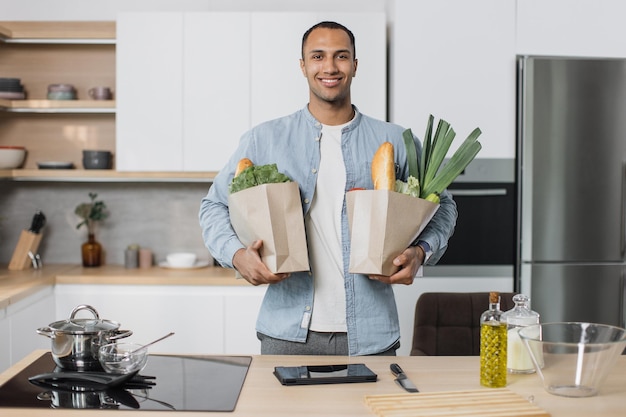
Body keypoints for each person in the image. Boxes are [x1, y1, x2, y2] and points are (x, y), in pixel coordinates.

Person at [199, 21, 457, 356]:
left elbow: (444, 206)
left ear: (355, 65)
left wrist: (421, 251)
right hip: (286, 334)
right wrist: (236, 256)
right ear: (303, 66)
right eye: (318, 56)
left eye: (341, 56)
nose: (330, 67)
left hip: (370, 336)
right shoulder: (264, 139)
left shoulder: (396, 141)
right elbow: (213, 206)